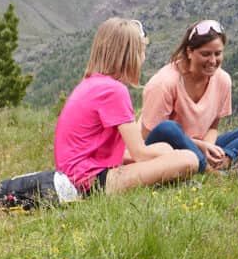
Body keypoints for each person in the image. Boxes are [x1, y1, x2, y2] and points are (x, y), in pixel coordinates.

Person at [54, 18, 199, 195]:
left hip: (74, 173)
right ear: (131, 55)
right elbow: (140, 153)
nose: (143, 57)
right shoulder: (114, 90)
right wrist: (170, 158)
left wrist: (165, 154)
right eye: (142, 51)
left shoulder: (92, 83)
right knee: (188, 159)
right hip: (89, 182)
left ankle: (164, 176)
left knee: (165, 148)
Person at [140, 19, 238, 173]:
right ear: (189, 52)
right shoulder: (164, 83)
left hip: (201, 144)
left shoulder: (222, 79)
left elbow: (213, 125)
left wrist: (209, 148)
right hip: (167, 148)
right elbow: (149, 136)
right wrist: (200, 147)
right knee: (169, 128)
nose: (213, 61)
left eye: (218, 54)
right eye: (205, 54)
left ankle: (221, 163)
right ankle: (213, 174)